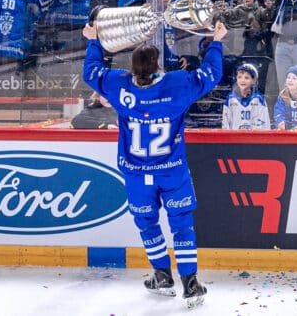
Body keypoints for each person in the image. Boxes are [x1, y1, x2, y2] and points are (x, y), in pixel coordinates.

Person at [82, 20, 225, 306]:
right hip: (171, 171)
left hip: (136, 172)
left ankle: (161, 276)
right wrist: (217, 41)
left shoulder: (118, 85)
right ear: (158, 65)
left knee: (147, 224)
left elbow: (91, 72)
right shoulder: (177, 83)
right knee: (182, 225)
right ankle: (190, 283)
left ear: (132, 67)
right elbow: (211, 74)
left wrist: (94, 41)